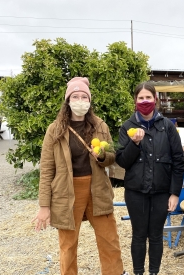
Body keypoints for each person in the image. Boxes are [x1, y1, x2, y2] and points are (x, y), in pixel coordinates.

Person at [32, 77, 128, 275]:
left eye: (84, 96)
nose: (80, 100)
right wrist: (44, 206)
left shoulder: (100, 126)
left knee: (109, 241)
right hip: (67, 191)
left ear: (89, 100)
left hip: (98, 189)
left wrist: (102, 156)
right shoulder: (55, 130)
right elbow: (47, 168)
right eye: (75, 96)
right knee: (68, 245)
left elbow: (112, 156)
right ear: (67, 100)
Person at [115, 82, 184, 275]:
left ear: (155, 99)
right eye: (140, 98)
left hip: (161, 192)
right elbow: (122, 161)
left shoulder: (167, 127)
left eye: (148, 97)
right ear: (135, 101)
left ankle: (154, 272)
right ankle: (138, 272)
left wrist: (174, 193)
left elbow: (178, 162)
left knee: (155, 236)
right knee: (138, 235)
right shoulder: (127, 127)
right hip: (135, 192)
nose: (144, 101)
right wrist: (134, 144)